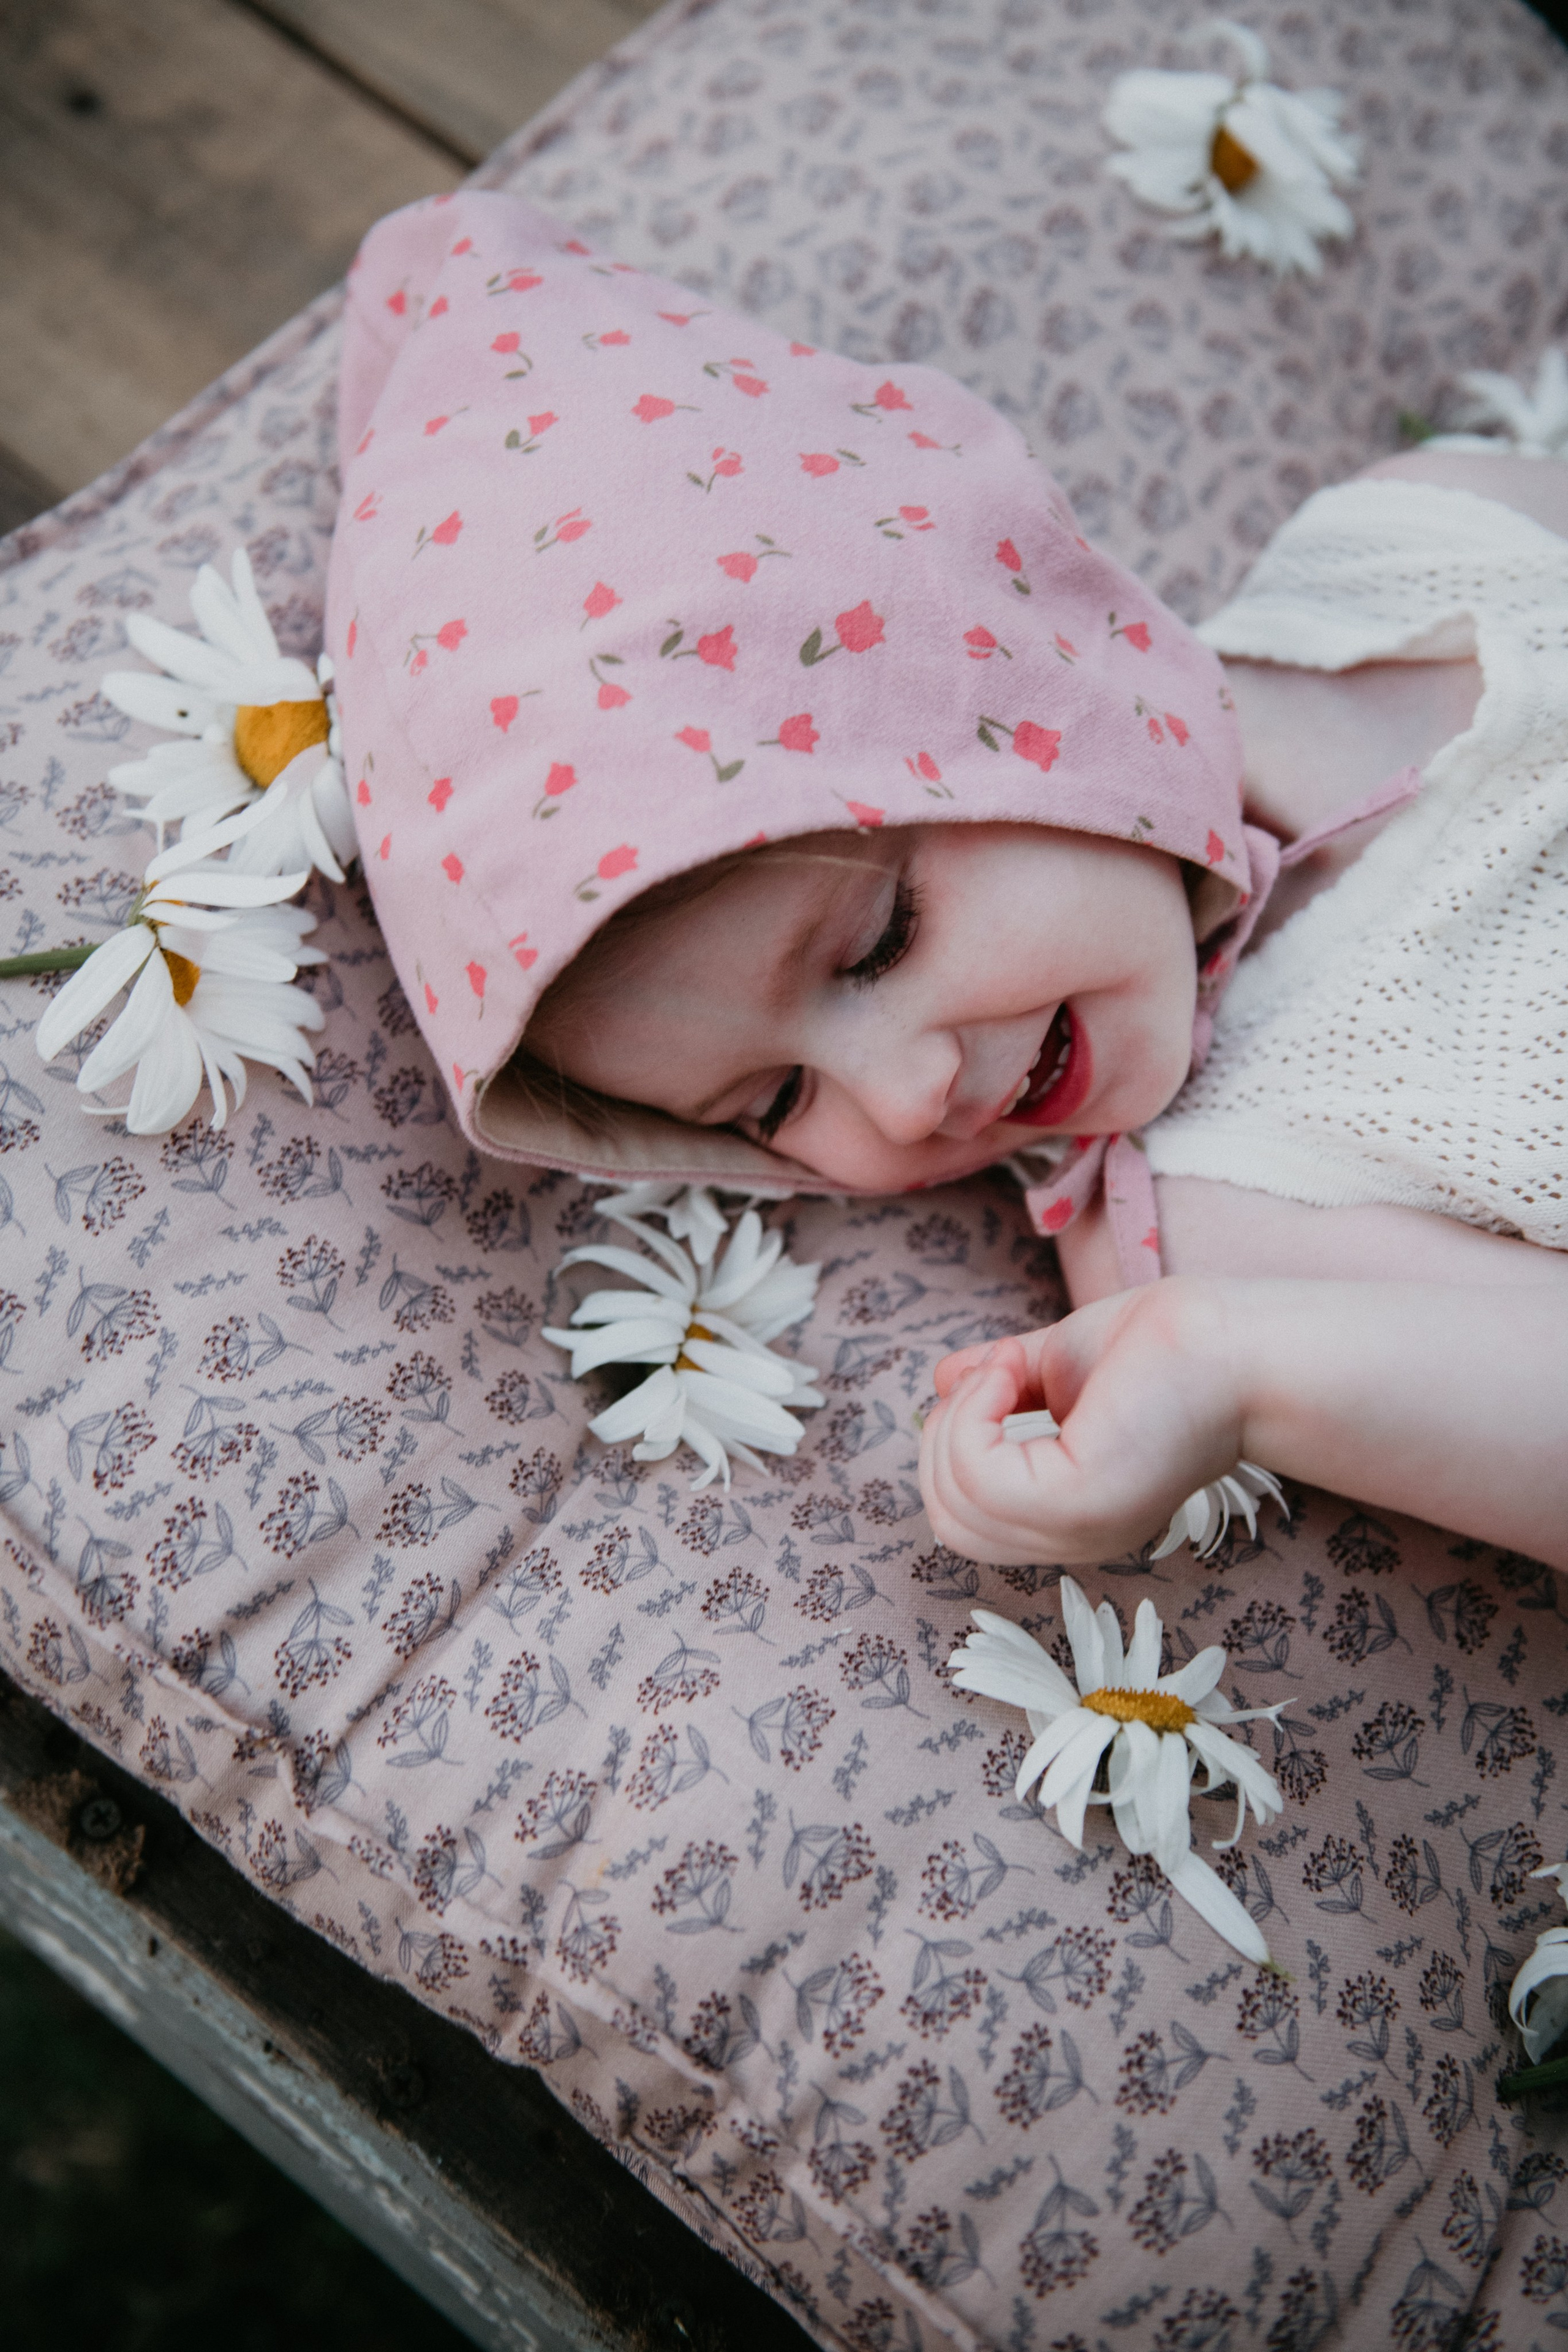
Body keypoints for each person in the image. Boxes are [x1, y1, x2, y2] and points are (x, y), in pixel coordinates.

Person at [329, 192, 1568, 1574]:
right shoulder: (1226, 1226)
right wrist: (1234, 1369)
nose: (907, 1099)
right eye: (776, 1103)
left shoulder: (1422, 546)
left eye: (877, 942)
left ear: (1013, 669)